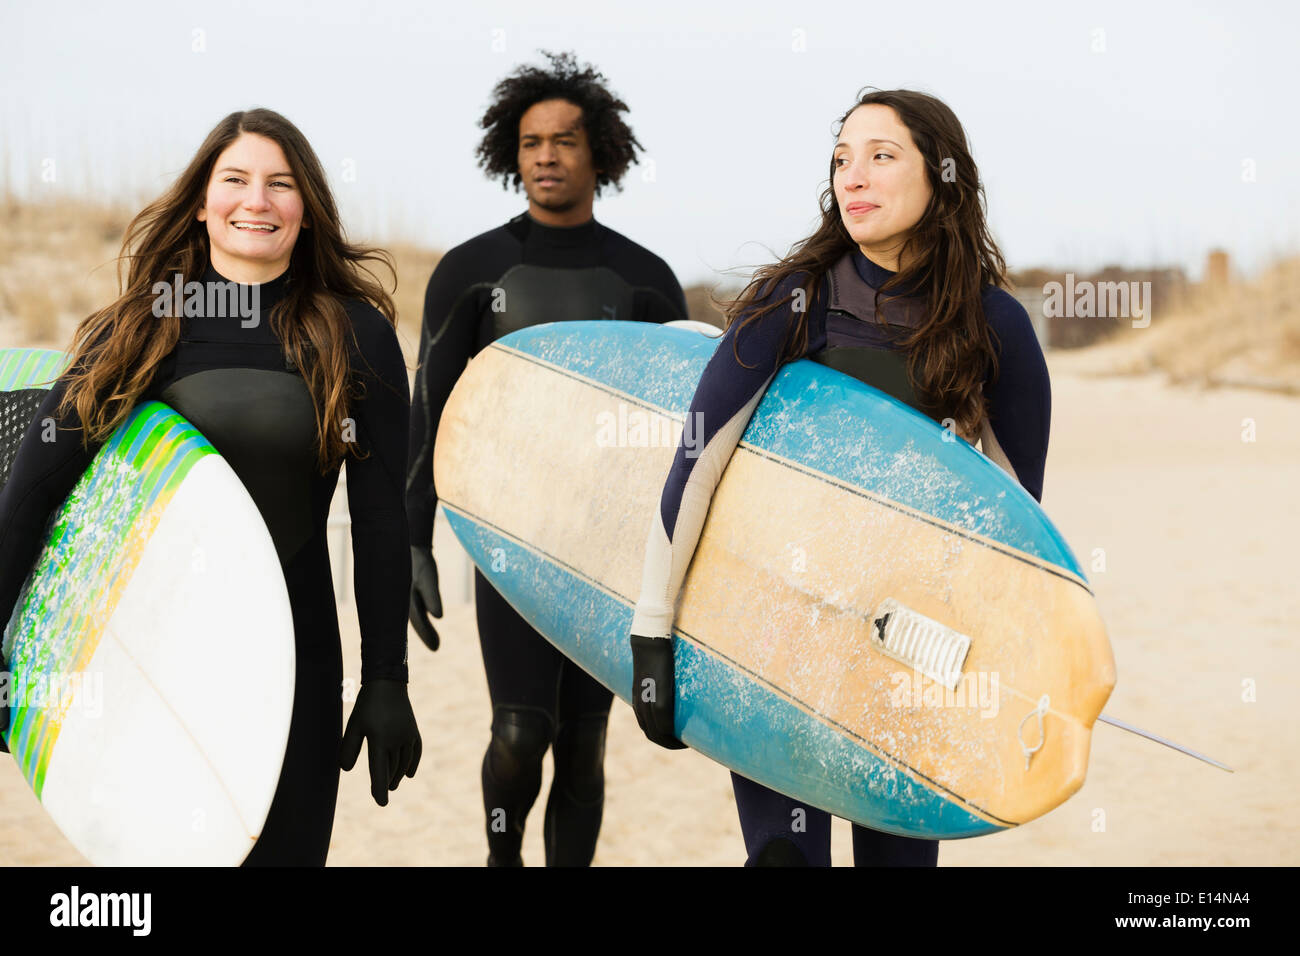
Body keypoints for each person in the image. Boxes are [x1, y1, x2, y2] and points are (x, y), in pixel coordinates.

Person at [629, 89, 1050, 866]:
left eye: (882, 156)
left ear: (941, 176)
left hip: (908, 653)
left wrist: (989, 659)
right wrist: (652, 630)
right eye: (841, 159)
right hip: (774, 634)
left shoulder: (994, 326)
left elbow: (1014, 529)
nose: (853, 176)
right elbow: (696, 463)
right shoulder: (791, 304)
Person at [0, 108, 421, 866]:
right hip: (155, 661)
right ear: (201, 200)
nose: (256, 200)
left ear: (307, 207)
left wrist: (386, 676)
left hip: (297, 660)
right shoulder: (141, 328)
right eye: (235, 180)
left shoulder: (354, 332)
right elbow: (31, 496)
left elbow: (382, 515)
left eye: (280, 184)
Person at [407, 51, 688, 866]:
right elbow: (433, 411)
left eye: (565, 140)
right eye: (531, 142)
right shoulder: (472, 271)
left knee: (584, 743)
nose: (547, 156)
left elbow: (682, 436)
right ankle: (503, 859)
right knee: (519, 729)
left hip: (608, 549)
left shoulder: (642, 280)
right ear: (510, 151)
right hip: (509, 539)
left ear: (599, 151)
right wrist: (414, 540)